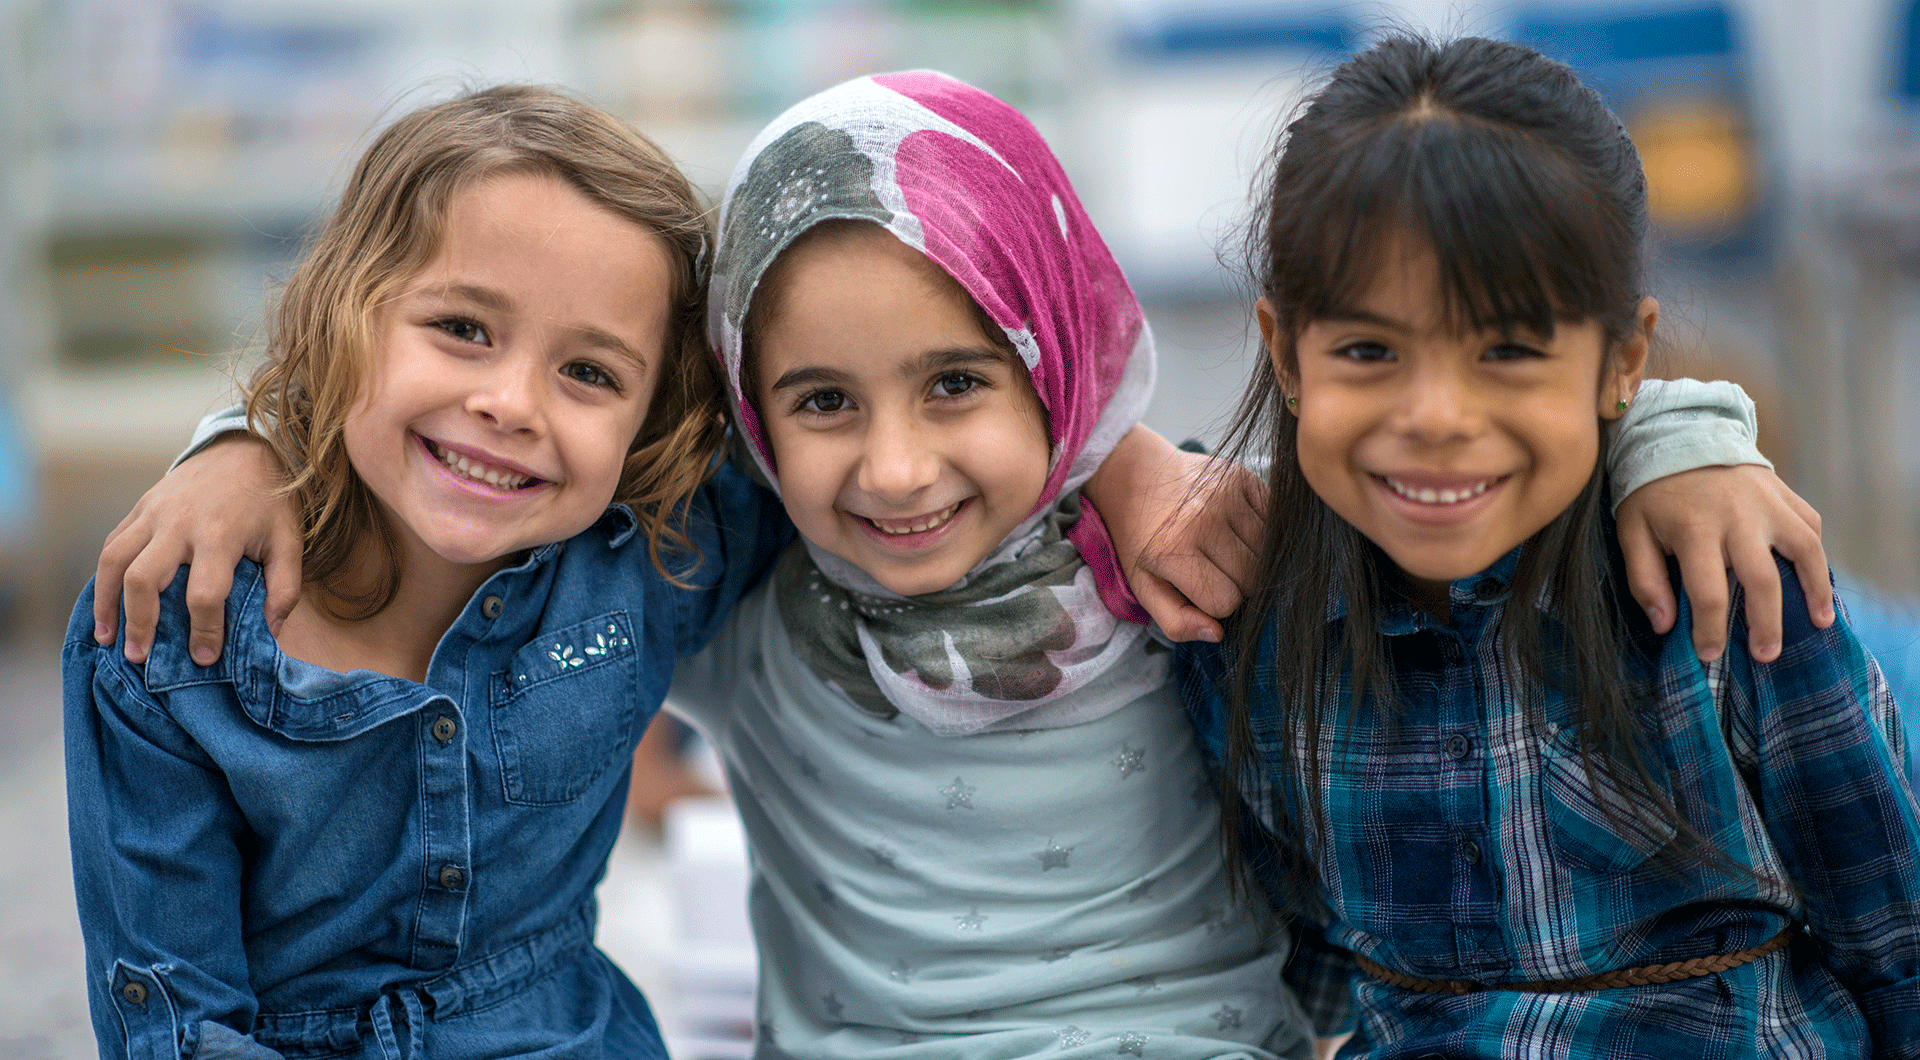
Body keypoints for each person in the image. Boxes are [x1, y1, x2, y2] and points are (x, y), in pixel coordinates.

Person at [88, 73, 1833, 1058]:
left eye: (960, 385)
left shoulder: (1188, 566)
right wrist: (242, 440)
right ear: (751, 424)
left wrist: (1681, 435)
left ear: (1058, 365)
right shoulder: (744, 578)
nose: (898, 467)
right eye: (823, 404)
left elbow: (1457, 442)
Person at [1178, 35, 1920, 1057]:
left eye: (1508, 350)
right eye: (1368, 350)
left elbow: (1898, 940)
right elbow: (1293, 982)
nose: (1436, 414)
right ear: (1287, 355)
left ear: (1623, 361)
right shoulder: (1246, 626)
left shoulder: (1733, 590)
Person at [60, 84, 796, 1060]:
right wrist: (243, 437)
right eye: (462, 327)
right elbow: (179, 1027)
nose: (512, 402)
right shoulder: (166, 621)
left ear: (652, 422)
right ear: (342, 313)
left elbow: (863, 454)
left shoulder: (650, 557)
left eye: (591, 373)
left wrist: (1074, 448)